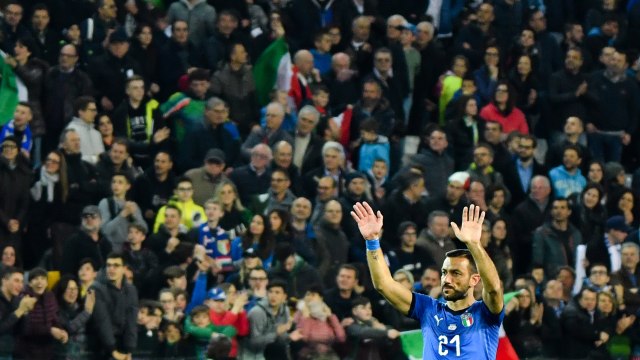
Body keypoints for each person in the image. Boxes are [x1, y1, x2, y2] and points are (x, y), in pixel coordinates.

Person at [351, 202, 504, 358]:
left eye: (456, 273)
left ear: (474, 280)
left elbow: (493, 288)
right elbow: (384, 285)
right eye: (444, 272)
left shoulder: (485, 313)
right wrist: (372, 241)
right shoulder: (428, 309)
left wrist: (475, 245)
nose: (447, 279)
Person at [0, 267, 37, 358]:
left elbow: (23, 331)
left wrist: (25, 312)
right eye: (16, 281)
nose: (20, 285)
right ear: (4, 281)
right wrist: (20, 311)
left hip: (13, 352)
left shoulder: (17, 301)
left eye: (22, 282)